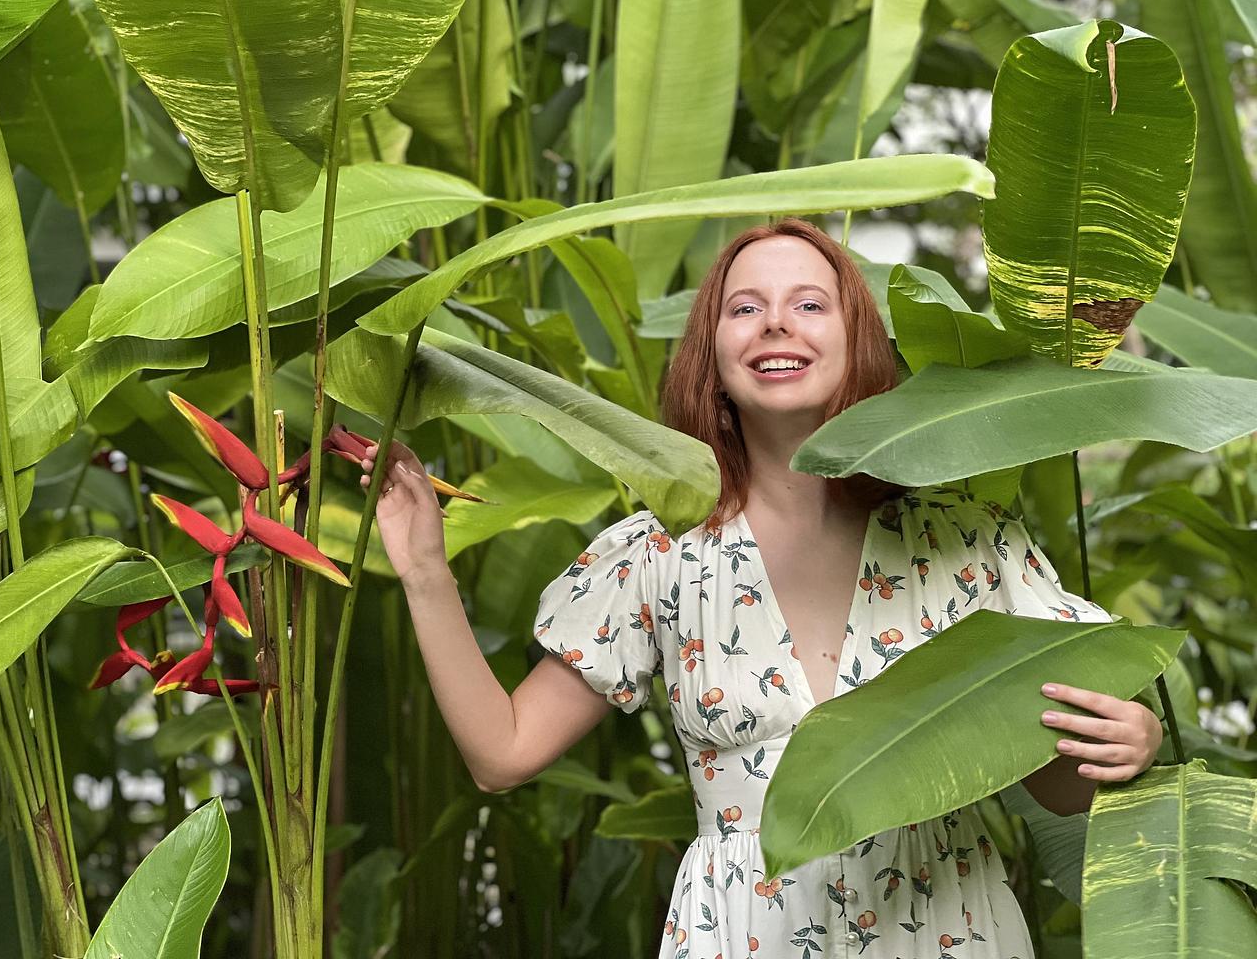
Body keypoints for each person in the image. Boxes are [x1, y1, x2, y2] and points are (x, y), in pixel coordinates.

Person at [360, 217, 1164, 958]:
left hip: (946, 925)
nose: (777, 323)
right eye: (745, 308)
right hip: (743, 931)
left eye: (810, 303)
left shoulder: (962, 541)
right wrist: (426, 570)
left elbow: (1059, 788)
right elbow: (502, 754)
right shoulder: (657, 556)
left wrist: (1131, 744)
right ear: (711, 354)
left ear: (858, 340)